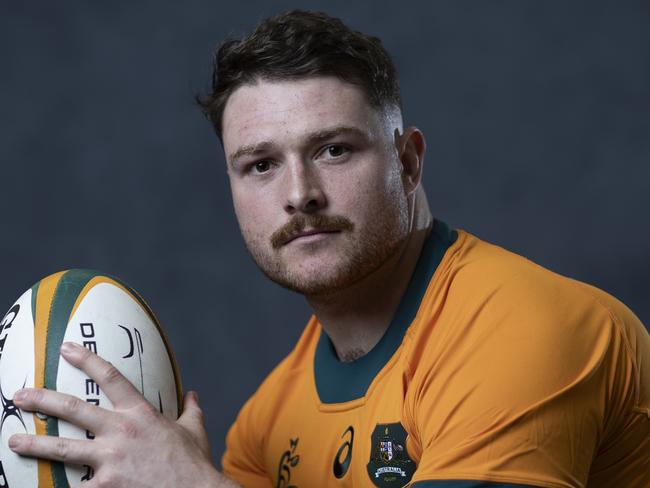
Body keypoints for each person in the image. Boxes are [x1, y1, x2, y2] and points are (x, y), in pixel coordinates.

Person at [8, 10, 650, 488]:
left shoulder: (523, 327)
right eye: (260, 164)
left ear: (408, 160)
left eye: (334, 150)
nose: (299, 194)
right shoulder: (267, 425)